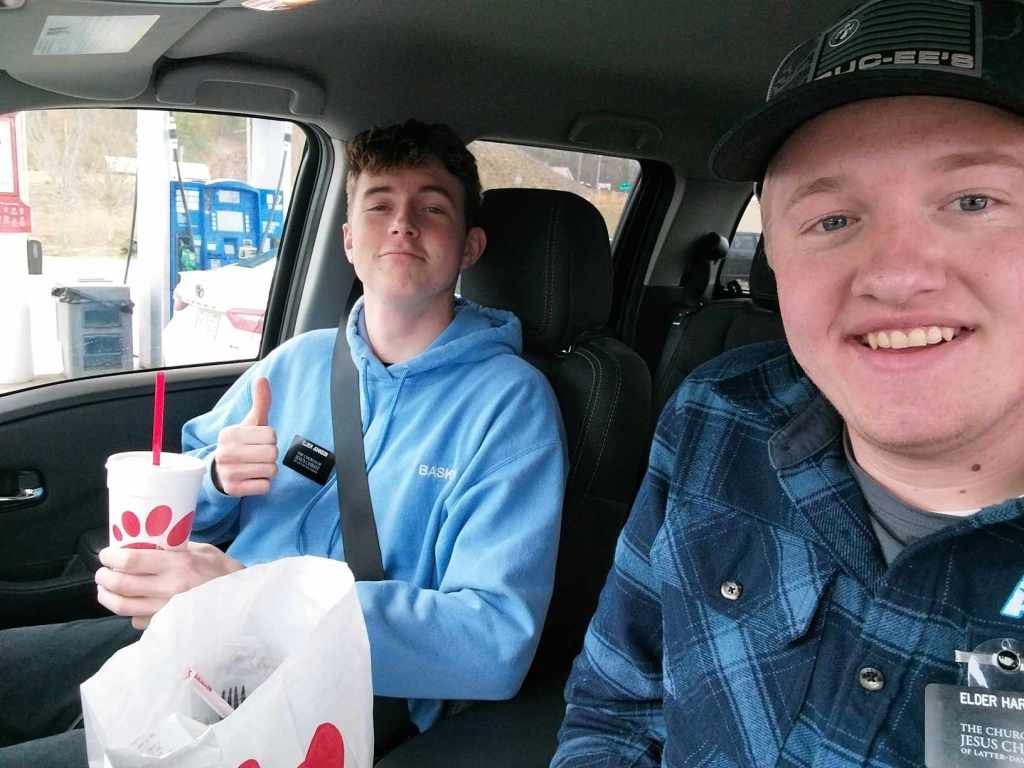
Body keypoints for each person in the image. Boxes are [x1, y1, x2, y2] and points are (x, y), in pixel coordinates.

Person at [0, 119, 566, 761]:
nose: (402, 225)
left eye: (432, 208)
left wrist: (251, 599)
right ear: (349, 240)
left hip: (341, 695)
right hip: (203, 637)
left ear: (469, 247)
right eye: (379, 205)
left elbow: (493, 643)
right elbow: (185, 513)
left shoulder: (511, 406)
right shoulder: (296, 363)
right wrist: (217, 479)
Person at [553, 1, 1024, 766]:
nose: (894, 275)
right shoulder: (716, 417)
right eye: (832, 219)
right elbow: (616, 708)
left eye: (974, 201)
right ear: (775, 255)